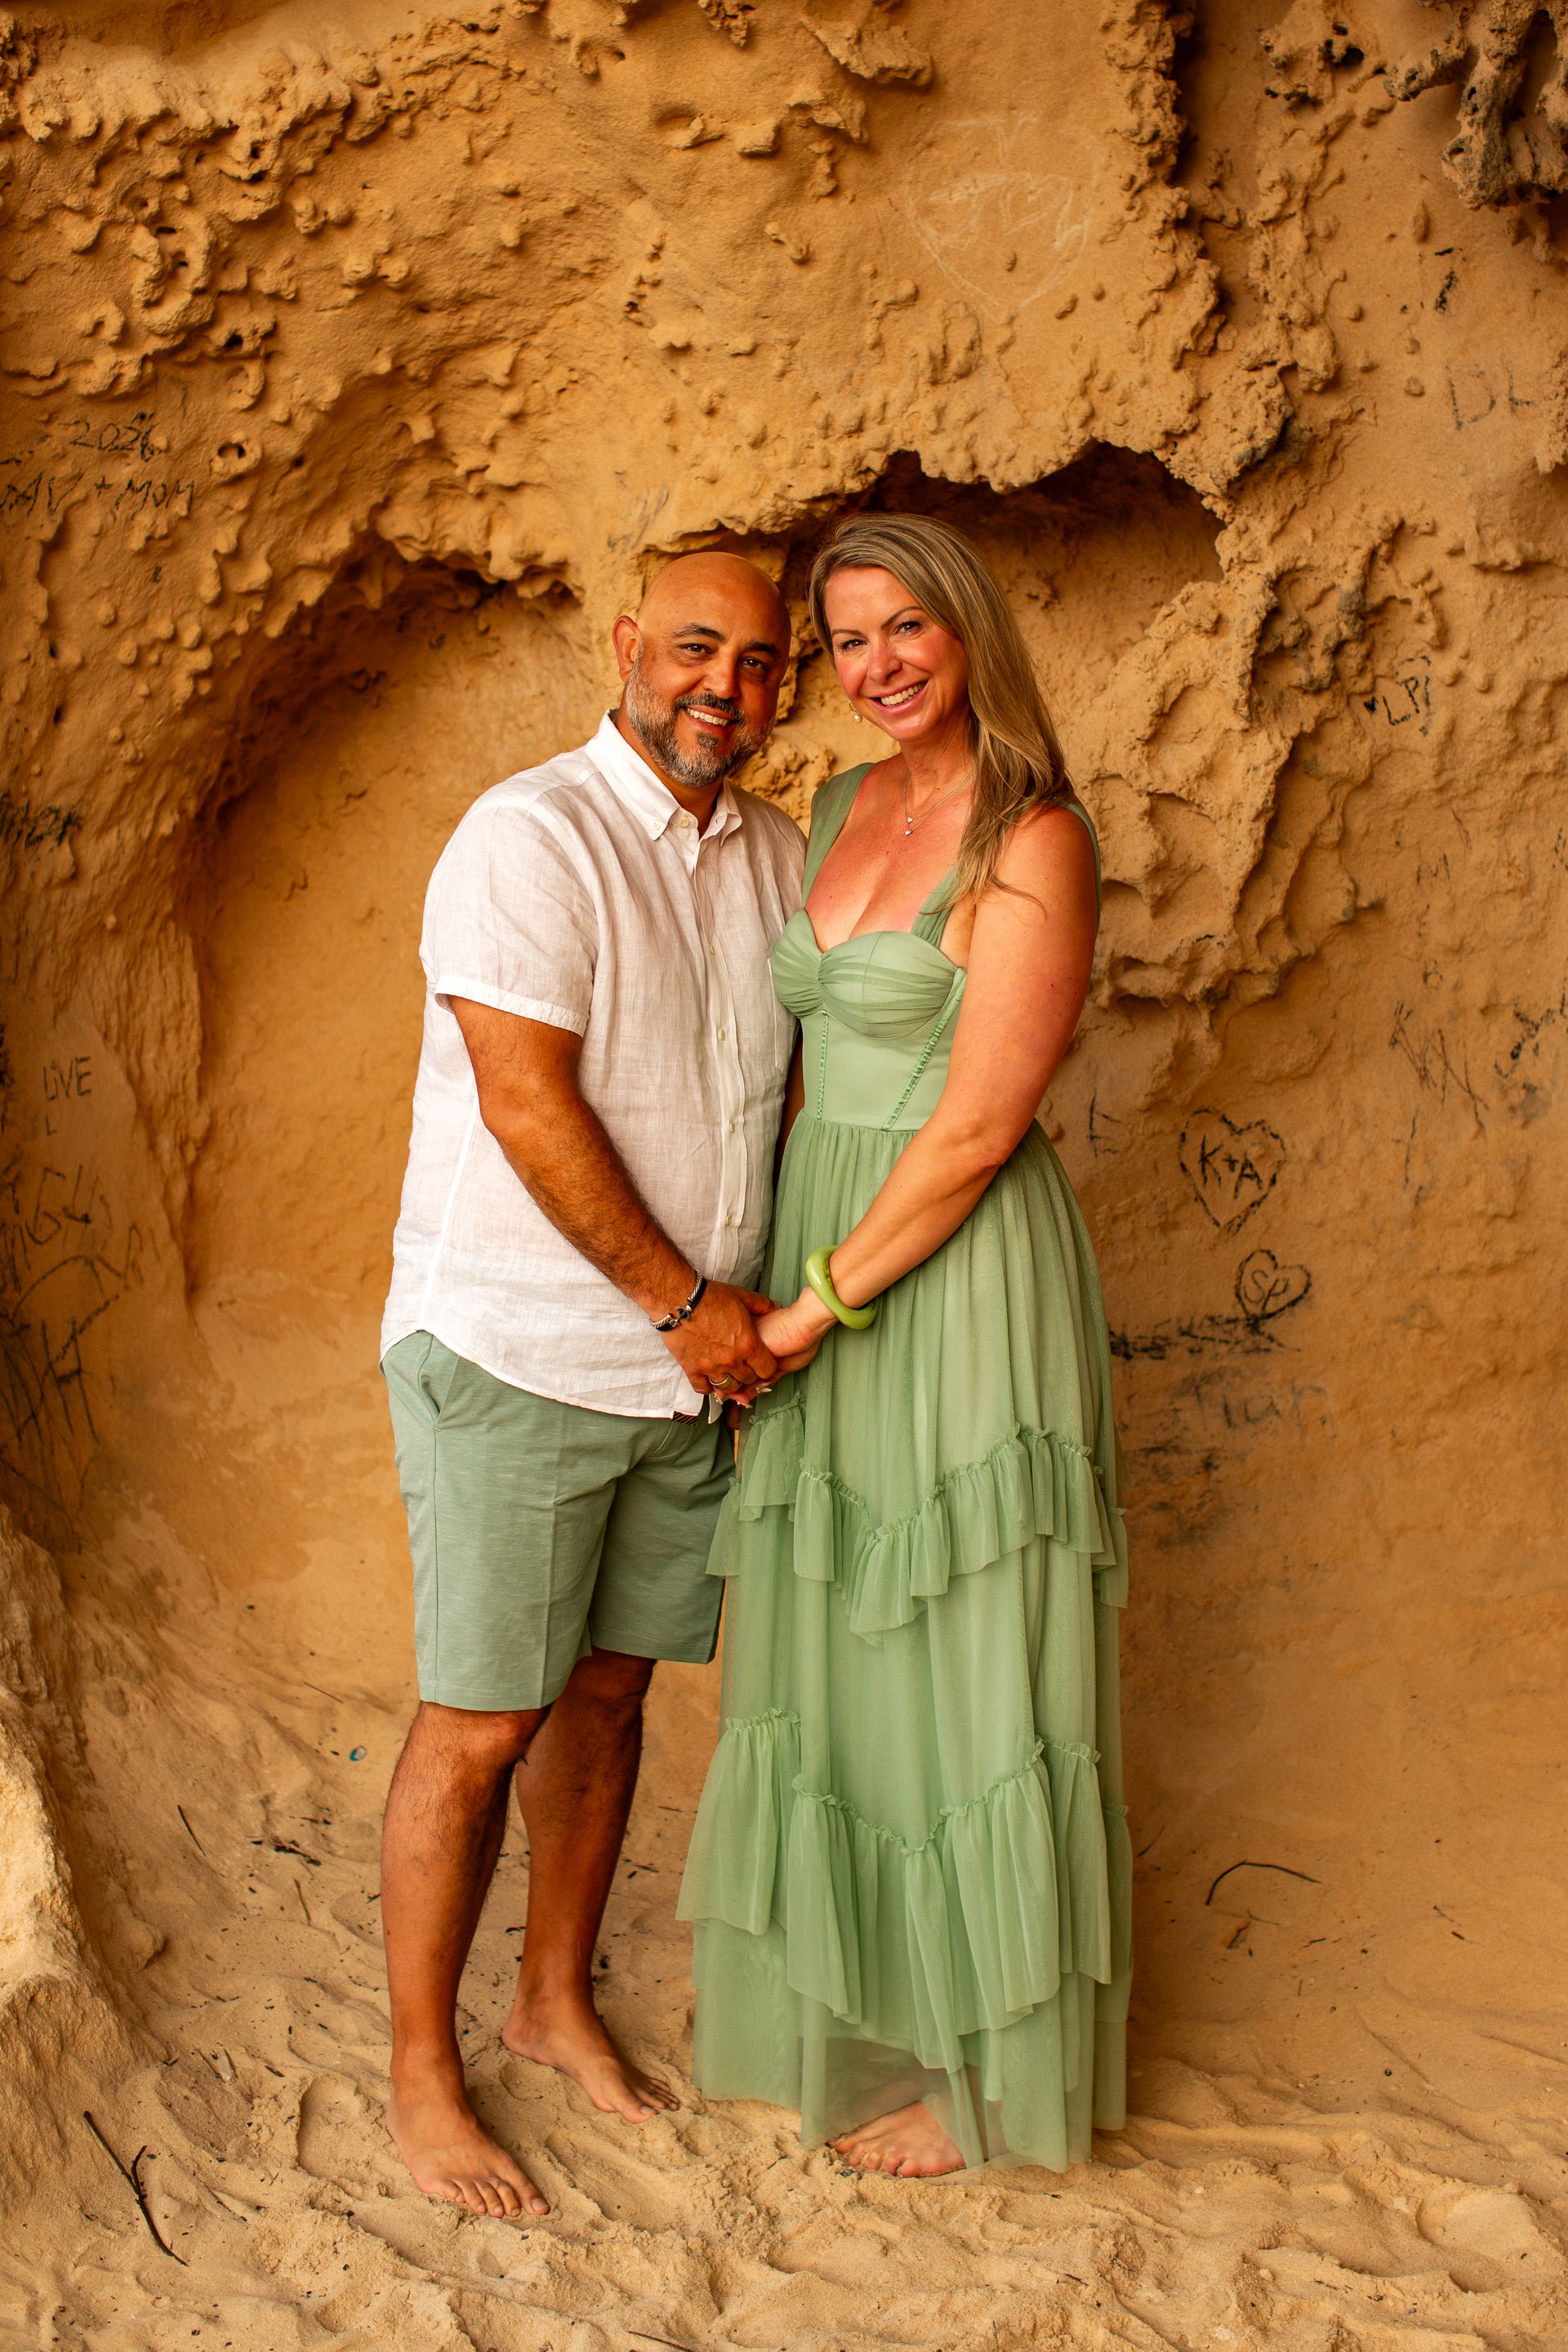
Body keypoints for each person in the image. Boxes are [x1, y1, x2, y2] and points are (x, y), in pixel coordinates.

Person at [678, 513, 1131, 2178]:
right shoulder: (834, 807)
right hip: (821, 1242)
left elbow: (979, 1126)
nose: (877, 666)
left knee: (965, 1647)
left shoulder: (1036, 838)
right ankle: (860, 2014)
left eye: (906, 629)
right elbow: (799, 1069)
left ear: (968, 632)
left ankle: (982, 2075)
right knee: (841, 1648)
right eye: (850, 637)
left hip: (952, 1274)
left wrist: (810, 1309)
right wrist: (758, 1278)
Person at [378, 552, 804, 2218]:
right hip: (525, 1348)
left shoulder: (777, 855)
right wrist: (687, 1306)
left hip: (691, 1376)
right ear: (627, 647)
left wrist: (736, 1322)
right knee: (485, 1721)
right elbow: (525, 1104)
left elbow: (778, 1093)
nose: (724, 687)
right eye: (696, 648)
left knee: (610, 1698)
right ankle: (425, 2075)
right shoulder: (530, 837)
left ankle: (549, 2000)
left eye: (759, 663)